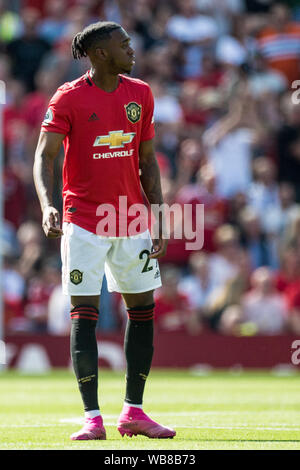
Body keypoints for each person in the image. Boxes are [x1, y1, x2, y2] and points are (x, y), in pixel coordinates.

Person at [33, 21, 175, 441]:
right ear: (99, 53)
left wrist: (159, 215)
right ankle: (92, 417)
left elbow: (148, 161)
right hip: (83, 219)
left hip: (130, 219)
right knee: (85, 315)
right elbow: (44, 157)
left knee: (143, 311)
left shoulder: (141, 94)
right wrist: (47, 206)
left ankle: (133, 412)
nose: (131, 48)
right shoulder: (68, 97)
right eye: (123, 43)